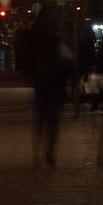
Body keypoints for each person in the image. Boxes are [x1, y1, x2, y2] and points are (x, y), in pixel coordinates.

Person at [27, 9, 71, 165]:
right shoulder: (57, 38)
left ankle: (37, 153)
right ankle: (49, 153)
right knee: (53, 120)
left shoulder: (34, 38)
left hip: (41, 82)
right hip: (57, 82)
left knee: (41, 117)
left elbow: (27, 59)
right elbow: (67, 60)